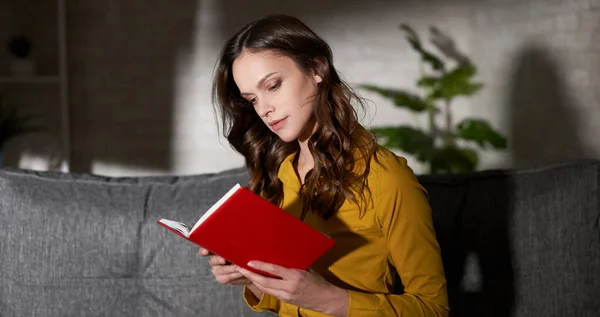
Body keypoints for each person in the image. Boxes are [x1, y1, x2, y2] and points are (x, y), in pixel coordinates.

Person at [199, 14, 449, 317]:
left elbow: (433, 308)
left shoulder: (386, 177)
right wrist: (250, 277)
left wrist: (327, 299)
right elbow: (288, 298)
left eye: (273, 85)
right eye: (252, 99)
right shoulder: (281, 173)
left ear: (317, 68)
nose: (264, 109)